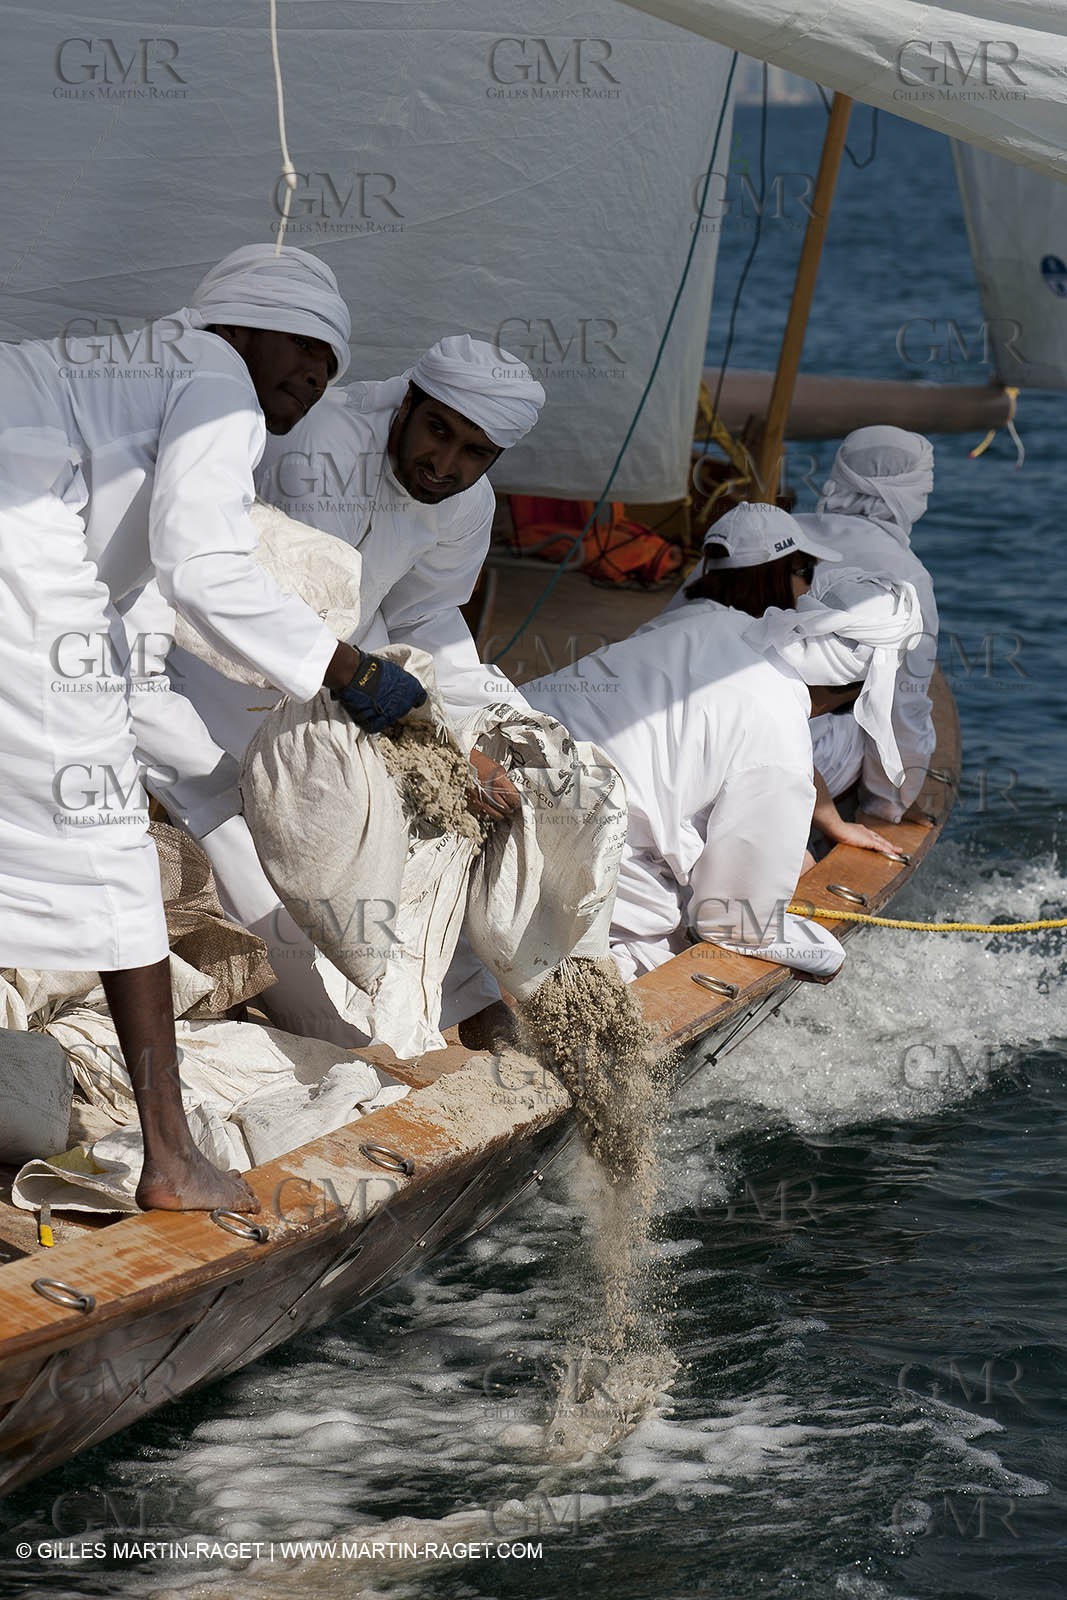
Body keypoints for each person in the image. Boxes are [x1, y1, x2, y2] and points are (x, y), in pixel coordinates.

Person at [0, 244, 425, 1212]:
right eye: (303, 349)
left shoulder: (124, 381)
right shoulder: (214, 376)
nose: (314, 378)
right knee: (111, 849)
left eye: (330, 368)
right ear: (237, 325)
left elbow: (134, 604)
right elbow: (199, 564)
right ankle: (170, 1158)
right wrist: (345, 667)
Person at [124, 335, 546, 1042]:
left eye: (474, 454)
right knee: (230, 816)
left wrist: (477, 726)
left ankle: (447, 1010)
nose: (443, 465)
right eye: (436, 432)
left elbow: (422, 615)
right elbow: (248, 587)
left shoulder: (465, 506)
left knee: (416, 833)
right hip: (196, 666)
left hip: (330, 682)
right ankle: (340, 1030)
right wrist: (404, 723)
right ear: (407, 401)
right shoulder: (316, 440)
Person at [522, 568, 922, 984]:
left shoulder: (720, 621)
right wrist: (825, 953)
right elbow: (732, 921)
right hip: (570, 827)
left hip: (507, 744)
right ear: (862, 688)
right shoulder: (781, 736)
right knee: (659, 937)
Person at [669, 502, 904, 861]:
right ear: (773, 575)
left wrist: (835, 824)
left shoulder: (682, 619)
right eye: (806, 571)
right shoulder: (753, 661)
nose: (809, 588)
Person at [792, 426, 939, 823]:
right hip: (800, 753)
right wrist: (887, 806)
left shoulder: (771, 535)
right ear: (909, 495)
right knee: (872, 710)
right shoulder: (908, 577)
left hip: (698, 723)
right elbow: (901, 710)